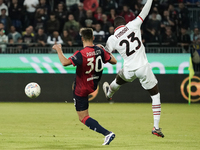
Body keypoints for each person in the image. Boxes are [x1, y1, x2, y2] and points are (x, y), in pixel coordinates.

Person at [103, 0, 164, 138]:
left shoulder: (112, 38)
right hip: (142, 67)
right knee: (155, 95)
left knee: (118, 81)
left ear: (114, 27)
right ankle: (155, 127)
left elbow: (106, 55)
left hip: (128, 69)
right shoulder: (133, 25)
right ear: (124, 23)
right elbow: (145, 11)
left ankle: (109, 94)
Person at [52, 28, 117, 145]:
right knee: (85, 114)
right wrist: (104, 49)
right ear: (93, 37)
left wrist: (58, 50)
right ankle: (108, 92)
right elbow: (114, 61)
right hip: (93, 85)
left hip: (81, 89)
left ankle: (107, 133)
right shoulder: (99, 50)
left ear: (82, 39)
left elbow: (64, 63)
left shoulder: (81, 53)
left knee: (83, 117)